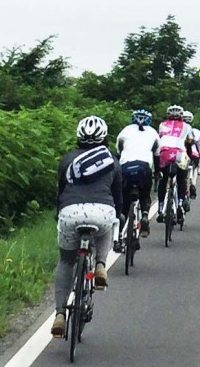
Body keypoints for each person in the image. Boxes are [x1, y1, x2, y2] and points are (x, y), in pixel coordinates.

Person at [51, 115, 122, 338]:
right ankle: (101, 264)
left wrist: (58, 214)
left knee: (66, 260)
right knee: (107, 226)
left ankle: (60, 314)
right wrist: (118, 215)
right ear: (105, 137)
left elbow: (60, 192)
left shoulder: (66, 160)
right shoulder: (112, 160)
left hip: (70, 213)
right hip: (102, 212)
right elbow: (118, 197)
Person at [115, 109, 159, 239]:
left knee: (124, 200)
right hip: (144, 167)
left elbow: (119, 152)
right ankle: (145, 215)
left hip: (125, 168)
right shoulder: (153, 133)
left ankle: (119, 233)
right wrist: (157, 172)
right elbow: (157, 155)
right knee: (145, 195)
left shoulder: (125, 131)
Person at [156, 105, 190, 222]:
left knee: (163, 179)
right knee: (181, 178)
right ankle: (180, 203)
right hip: (179, 153)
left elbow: (160, 138)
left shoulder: (162, 125)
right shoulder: (187, 126)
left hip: (164, 152)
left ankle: (160, 208)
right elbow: (189, 142)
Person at [183, 124, 200, 200]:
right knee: (195, 168)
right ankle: (193, 184)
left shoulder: (178, 130)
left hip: (181, 154)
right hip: (194, 155)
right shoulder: (196, 131)